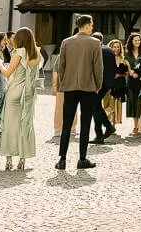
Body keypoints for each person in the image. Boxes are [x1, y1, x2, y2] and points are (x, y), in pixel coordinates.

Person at [56, 14, 104, 170]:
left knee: (67, 123)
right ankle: (82, 158)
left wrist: (62, 83)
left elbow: (61, 66)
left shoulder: (66, 42)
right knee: (85, 123)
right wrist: (97, 85)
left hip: (69, 87)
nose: (92, 28)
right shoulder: (95, 43)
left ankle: (62, 159)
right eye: (91, 25)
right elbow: (98, 68)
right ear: (87, 25)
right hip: (88, 87)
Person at [0, 27, 42, 170]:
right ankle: (23, 159)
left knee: (10, 125)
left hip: (15, 91)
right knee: (25, 125)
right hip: (29, 92)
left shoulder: (19, 52)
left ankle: (9, 159)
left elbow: (7, 73)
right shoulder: (37, 53)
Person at [124, 32, 141, 136]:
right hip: (131, 81)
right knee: (133, 103)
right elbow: (127, 65)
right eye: (135, 40)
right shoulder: (127, 53)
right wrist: (130, 72)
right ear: (131, 41)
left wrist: (138, 72)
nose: (137, 42)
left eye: (139, 40)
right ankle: (136, 127)